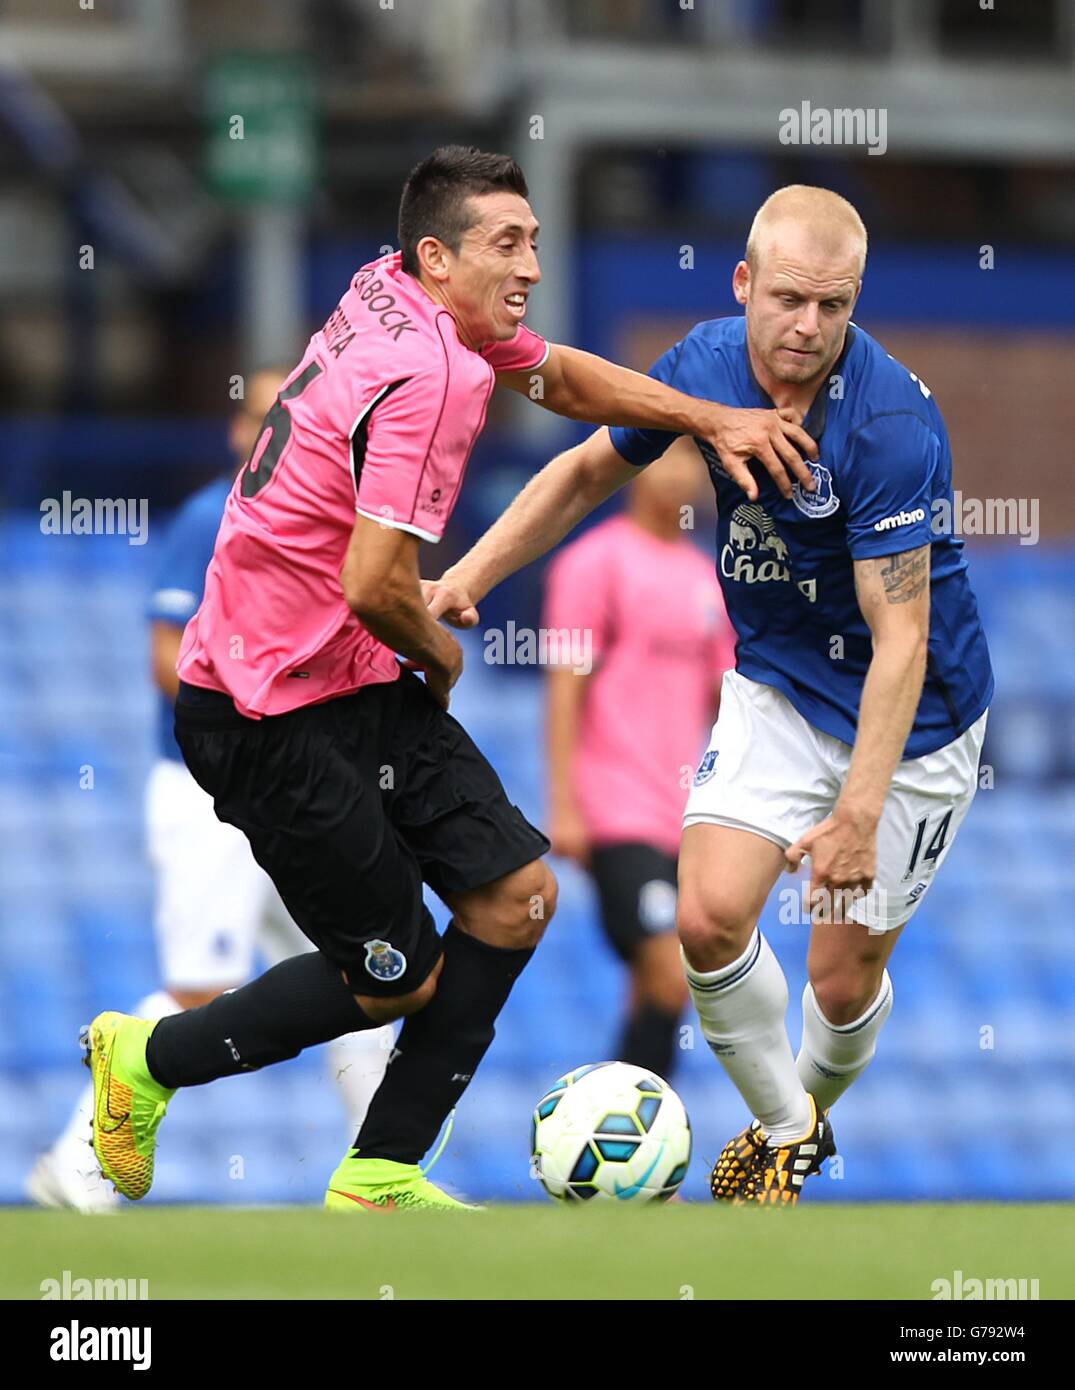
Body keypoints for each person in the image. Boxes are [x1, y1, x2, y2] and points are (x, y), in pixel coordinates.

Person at [82, 146, 816, 1212]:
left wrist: (706, 417)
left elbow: (557, 375)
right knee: (396, 976)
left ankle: (379, 1174)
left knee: (517, 898)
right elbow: (378, 583)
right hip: (262, 709)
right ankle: (146, 1059)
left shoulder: (387, 292)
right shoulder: (425, 375)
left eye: (532, 240)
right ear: (436, 256)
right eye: (505, 245)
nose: (529, 264)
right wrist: (442, 652)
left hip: (341, 672)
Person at [425, 183, 994, 1206]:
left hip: (915, 723)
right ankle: (785, 1136)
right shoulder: (703, 365)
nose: (806, 326)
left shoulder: (891, 426)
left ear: (855, 302)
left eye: (832, 305)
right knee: (707, 920)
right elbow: (582, 471)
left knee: (838, 980)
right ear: (743, 285)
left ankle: (798, 1109)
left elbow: (901, 639)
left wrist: (858, 810)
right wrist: (468, 575)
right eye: (786, 298)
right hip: (777, 683)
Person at [29, 372, 393, 1213]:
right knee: (201, 987)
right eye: (265, 413)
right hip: (213, 797)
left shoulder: (316, 528)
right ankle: (77, 1166)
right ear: (241, 432)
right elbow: (169, 657)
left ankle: (382, 1174)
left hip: (287, 800)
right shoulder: (213, 517)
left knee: (370, 973)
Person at [542, 440, 735, 1081]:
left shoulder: (708, 579)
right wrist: (564, 805)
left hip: (686, 816)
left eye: (693, 464)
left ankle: (626, 1158)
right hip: (617, 806)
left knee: (665, 983)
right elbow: (565, 686)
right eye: (667, 458)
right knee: (664, 969)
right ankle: (636, 1139)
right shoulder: (591, 565)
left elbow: (727, 703)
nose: (682, 476)